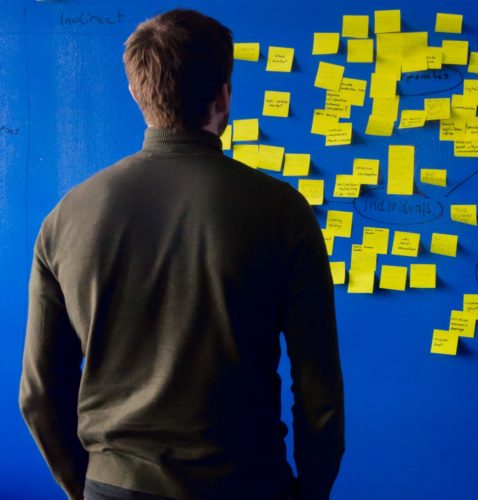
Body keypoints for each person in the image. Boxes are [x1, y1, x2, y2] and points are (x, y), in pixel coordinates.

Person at [19, 9, 344, 500]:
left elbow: (39, 396)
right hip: (249, 485)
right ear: (224, 95)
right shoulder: (283, 212)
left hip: (114, 486)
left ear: (136, 92)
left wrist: (86, 488)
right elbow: (319, 398)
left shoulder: (67, 218)